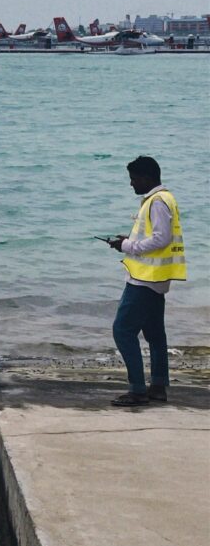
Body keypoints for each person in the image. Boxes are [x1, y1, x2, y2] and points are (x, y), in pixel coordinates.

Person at [107, 156, 187, 406]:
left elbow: (161, 238)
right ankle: (158, 386)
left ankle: (138, 390)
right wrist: (128, 240)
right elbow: (157, 236)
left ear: (147, 178)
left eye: (134, 179)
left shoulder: (157, 202)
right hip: (156, 277)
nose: (131, 184)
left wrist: (127, 246)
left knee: (122, 331)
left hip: (144, 279)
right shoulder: (165, 198)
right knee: (154, 334)